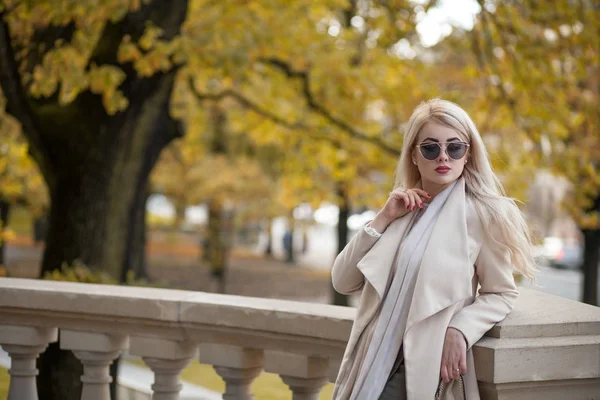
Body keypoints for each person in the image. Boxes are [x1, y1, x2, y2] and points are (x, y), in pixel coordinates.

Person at [331, 99, 537, 400]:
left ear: (468, 155)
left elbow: (502, 293)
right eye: (430, 148)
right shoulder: (402, 210)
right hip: (370, 363)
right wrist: (383, 218)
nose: (444, 156)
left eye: (455, 147)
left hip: (420, 370)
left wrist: (461, 329)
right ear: (414, 155)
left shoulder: (482, 215)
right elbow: (343, 281)